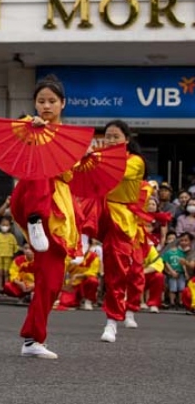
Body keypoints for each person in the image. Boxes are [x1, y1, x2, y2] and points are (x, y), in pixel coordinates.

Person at [8, 75, 81, 359]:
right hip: (32, 198)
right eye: (41, 101)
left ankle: (32, 339)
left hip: (58, 207)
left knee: (51, 281)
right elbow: (17, 131)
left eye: (52, 101)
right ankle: (36, 220)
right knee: (40, 169)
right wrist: (34, 130)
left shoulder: (69, 137)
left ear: (63, 104)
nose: (46, 106)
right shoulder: (31, 126)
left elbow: (69, 172)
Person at [97, 120, 147, 343]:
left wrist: (93, 158)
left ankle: (115, 319)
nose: (111, 140)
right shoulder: (100, 157)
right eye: (108, 136)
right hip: (101, 213)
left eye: (116, 136)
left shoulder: (135, 162)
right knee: (110, 267)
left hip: (124, 220)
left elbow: (117, 172)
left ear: (126, 140)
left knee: (125, 270)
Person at [0, 218, 19, 292]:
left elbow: (15, 248)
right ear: (0, 225)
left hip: (9, 257)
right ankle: (0, 287)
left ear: (9, 226)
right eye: (3, 225)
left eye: (7, 225)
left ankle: (6, 287)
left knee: (6, 273)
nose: (5, 226)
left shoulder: (12, 237)